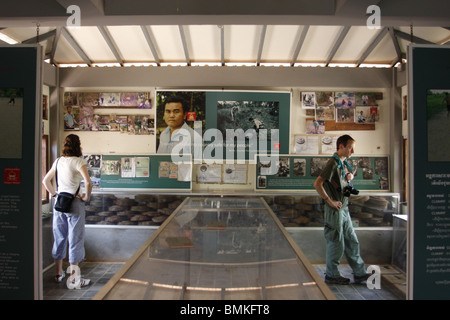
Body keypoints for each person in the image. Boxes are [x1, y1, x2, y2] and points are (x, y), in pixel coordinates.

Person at [313, 135, 369, 285]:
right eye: (350, 147)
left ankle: (360, 273)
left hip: (344, 209)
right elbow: (318, 184)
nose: (353, 150)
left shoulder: (343, 164)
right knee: (336, 242)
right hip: (335, 210)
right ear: (341, 147)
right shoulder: (332, 163)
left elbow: (341, 182)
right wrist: (329, 200)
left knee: (352, 241)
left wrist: (349, 178)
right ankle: (332, 274)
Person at [42, 134, 93, 288]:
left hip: (59, 204)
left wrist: (54, 194)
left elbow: (45, 180)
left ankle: (58, 273)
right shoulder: (78, 161)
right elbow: (88, 183)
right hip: (75, 203)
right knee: (75, 238)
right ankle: (74, 278)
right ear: (78, 145)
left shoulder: (58, 161)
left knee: (59, 237)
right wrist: (86, 197)